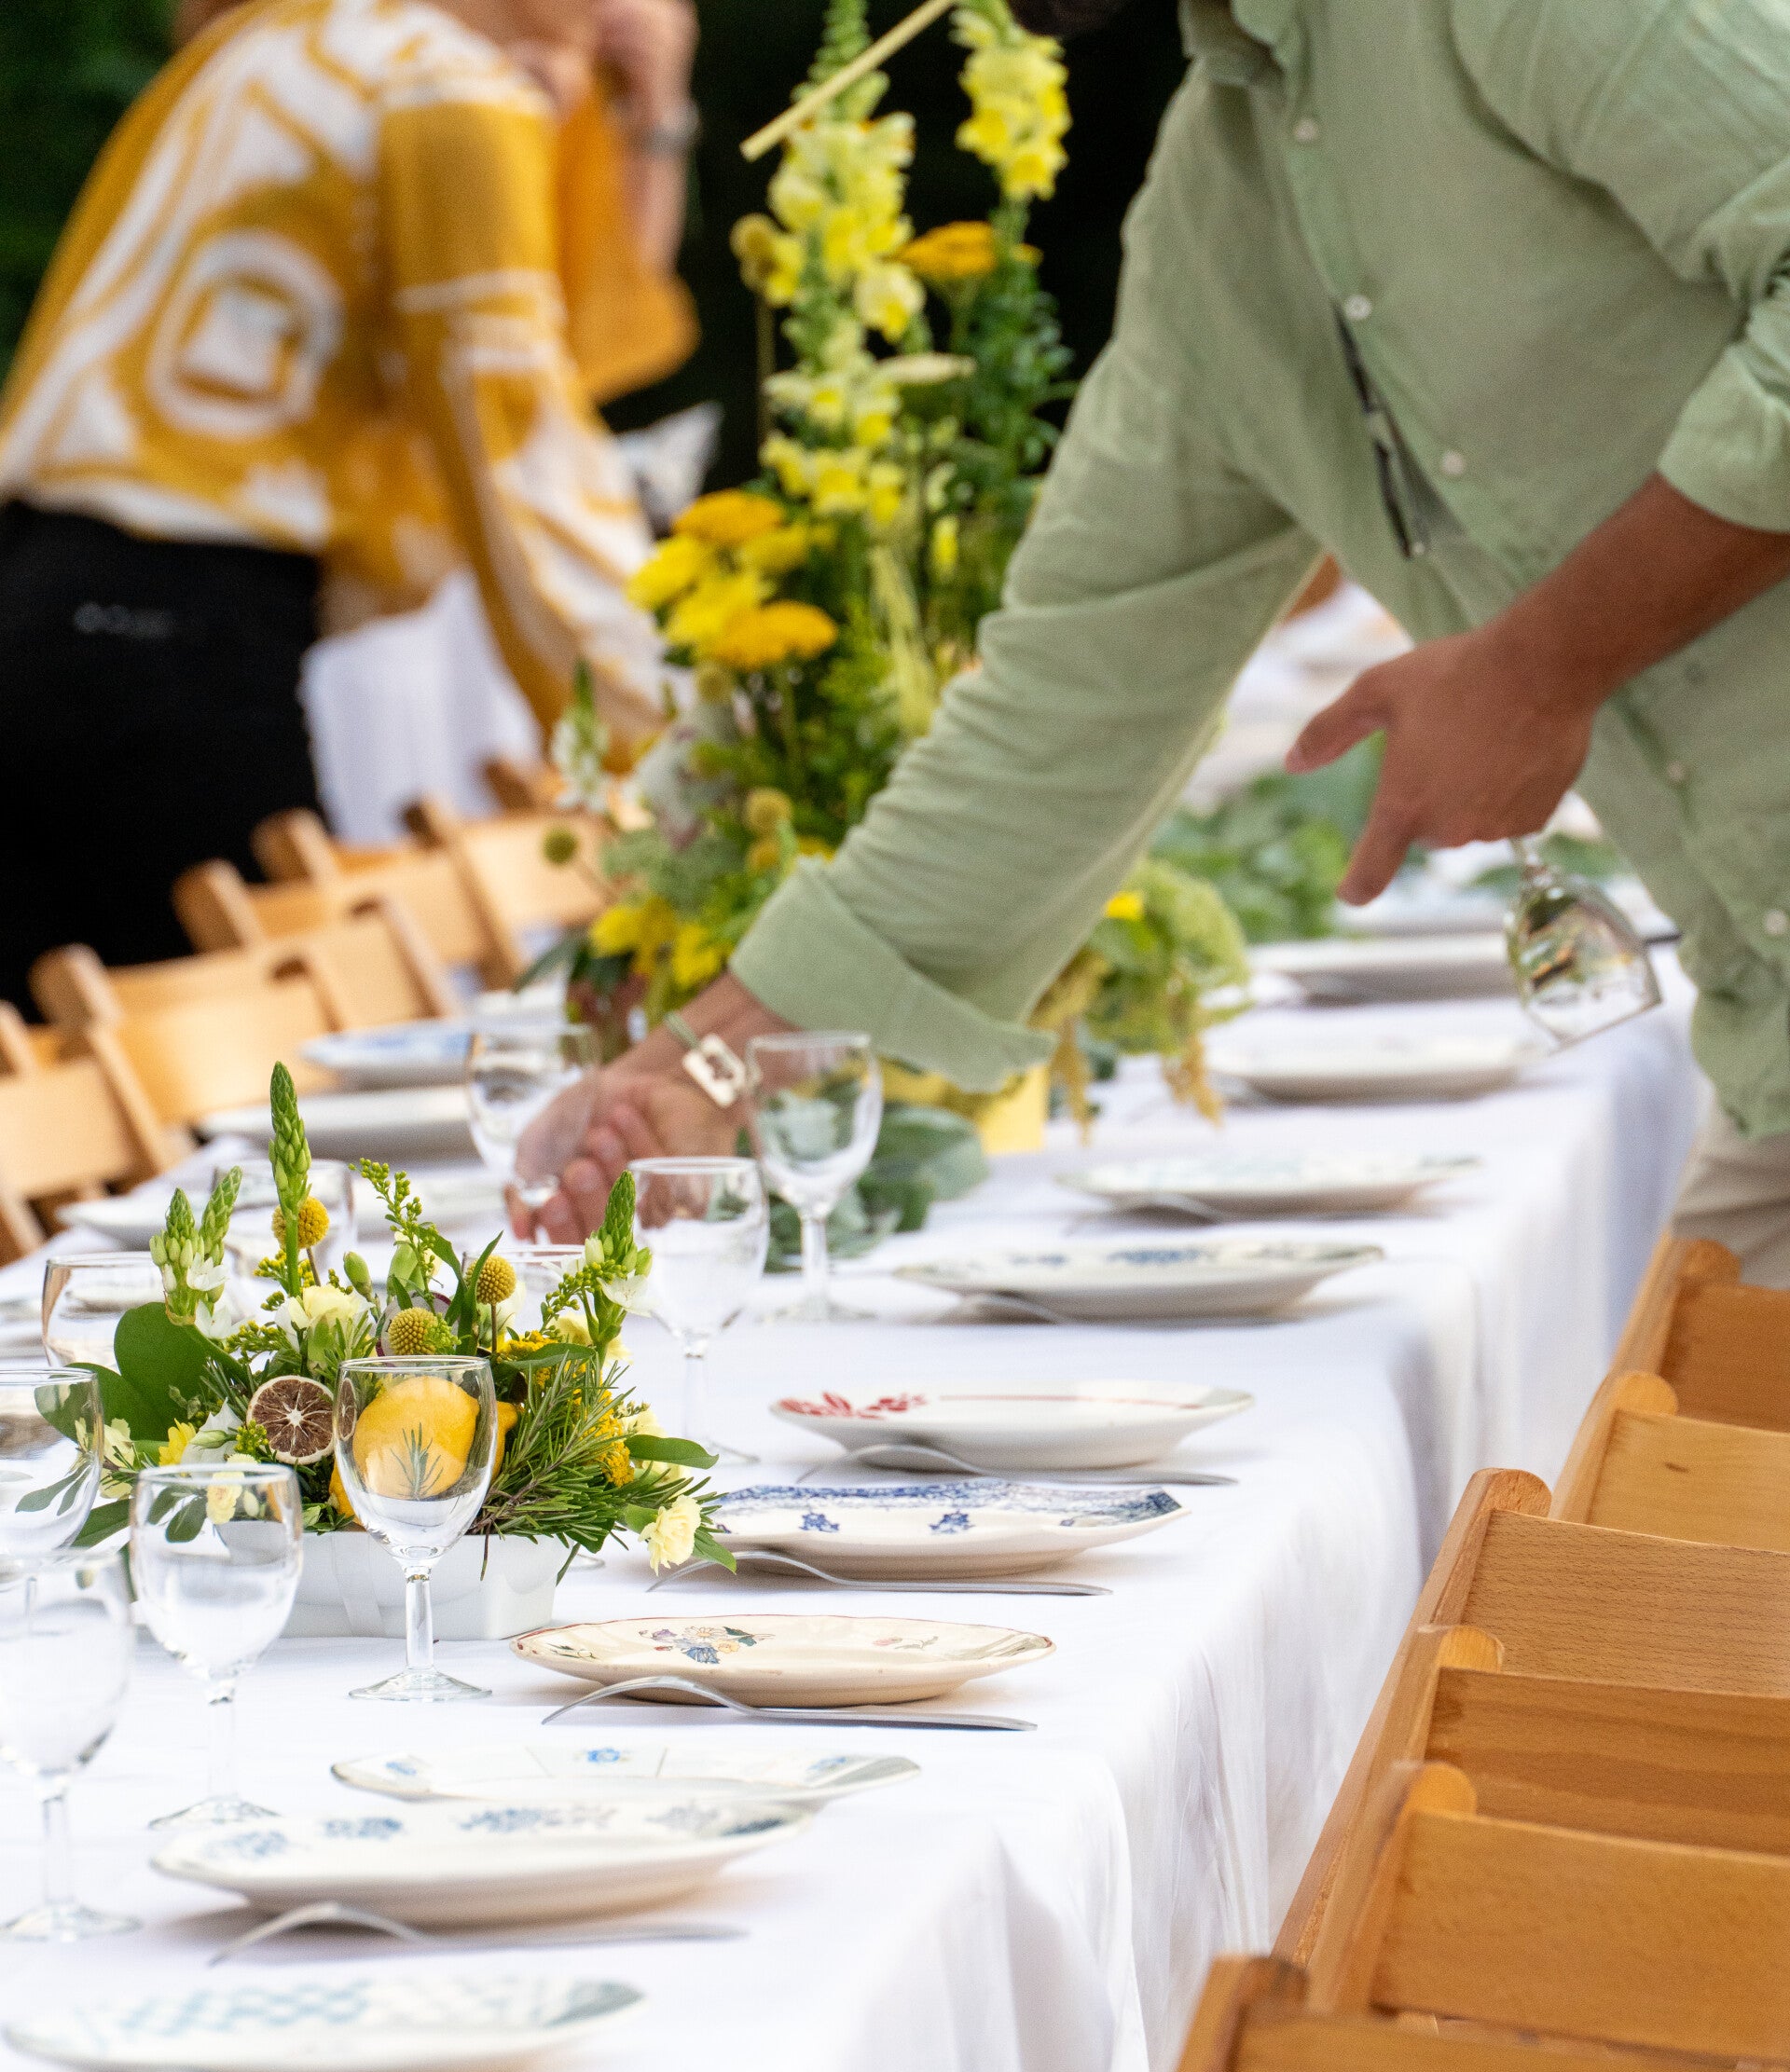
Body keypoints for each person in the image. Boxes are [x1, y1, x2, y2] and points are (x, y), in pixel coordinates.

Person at [520, 0, 1790, 1283]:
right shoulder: (1214, 213)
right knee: (1659, 1439)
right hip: (1771, 1060)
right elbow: (1070, 700)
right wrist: (701, 1066)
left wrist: (1539, 668)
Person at [0, 0, 696, 1006]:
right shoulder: (448, 91)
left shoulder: (279, 37)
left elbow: (560, 361)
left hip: (39, 608)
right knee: (267, 1102)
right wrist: (678, 768)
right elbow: (521, 459)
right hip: (174, 651)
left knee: (67, 1124)